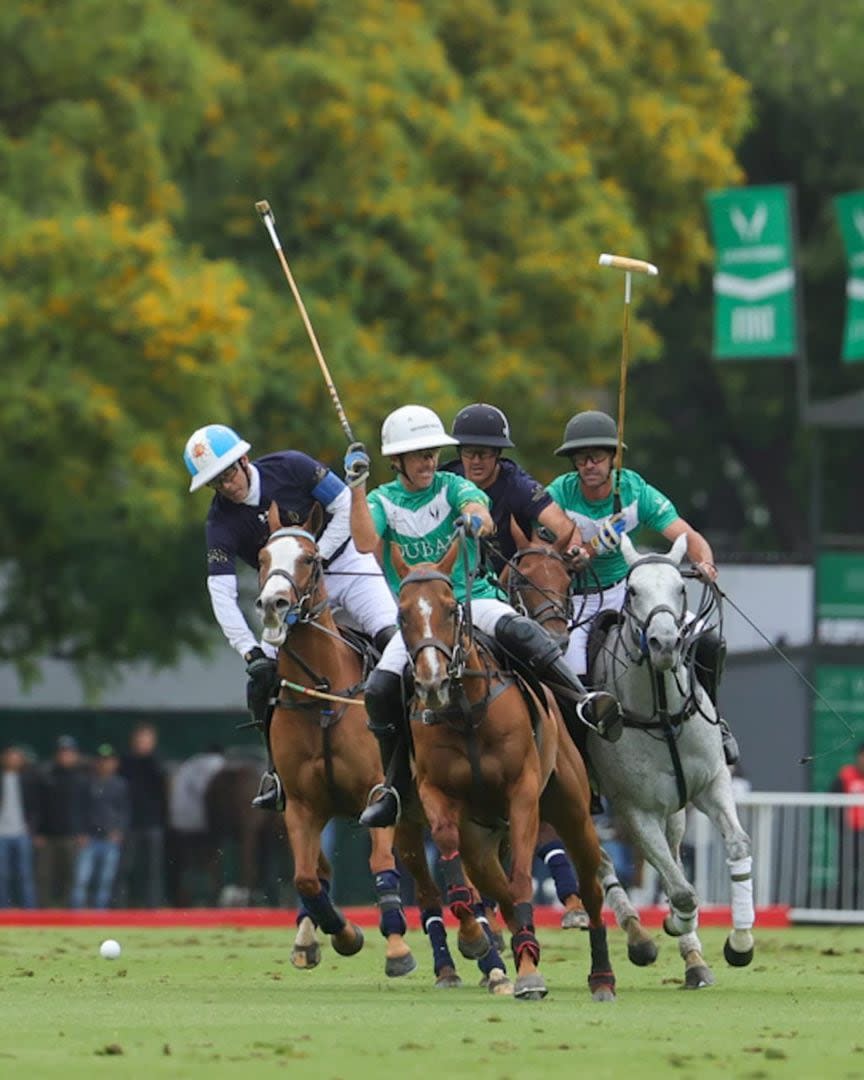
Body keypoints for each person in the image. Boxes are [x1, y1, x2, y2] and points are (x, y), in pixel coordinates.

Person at [344, 404, 622, 828]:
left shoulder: (453, 484)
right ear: (396, 460)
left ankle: (580, 701)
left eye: (432, 454)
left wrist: (475, 520)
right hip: (421, 618)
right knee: (381, 689)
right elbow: (365, 542)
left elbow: (482, 513)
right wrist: (358, 489)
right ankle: (396, 786)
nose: (428, 462)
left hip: (472, 598)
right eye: (419, 455)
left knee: (524, 632)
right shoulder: (382, 500)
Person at [183, 423, 398, 811]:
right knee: (261, 683)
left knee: (394, 644)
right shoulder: (220, 523)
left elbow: (344, 505)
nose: (227, 487)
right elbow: (222, 593)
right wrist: (250, 651)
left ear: (244, 460)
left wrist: (315, 556)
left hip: (347, 565)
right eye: (216, 483)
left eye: (228, 474)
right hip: (291, 596)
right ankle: (276, 774)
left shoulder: (293, 467)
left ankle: (412, 754)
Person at [546, 409, 739, 765]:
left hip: (629, 592)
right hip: (579, 598)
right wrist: (582, 552)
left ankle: (716, 723)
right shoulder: (559, 493)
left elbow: (687, 535)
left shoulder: (634, 489)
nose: (588, 465)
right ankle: (580, 760)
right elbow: (544, 550)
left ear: (611, 457)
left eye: (596, 457)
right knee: (571, 674)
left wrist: (705, 562)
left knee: (709, 642)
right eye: (580, 458)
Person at [439, 403, 579, 571]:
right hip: (454, 579)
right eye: (469, 452)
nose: (476, 460)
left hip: (510, 583)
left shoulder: (520, 486)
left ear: (498, 453)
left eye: (484, 453)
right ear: (459, 451)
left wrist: (574, 551)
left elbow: (565, 527)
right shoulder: (446, 479)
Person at [70, 745, 130, 909]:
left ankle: (100, 914)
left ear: (115, 763)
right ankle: (77, 915)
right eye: (101, 761)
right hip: (89, 838)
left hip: (109, 838)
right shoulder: (86, 782)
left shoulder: (120, 784)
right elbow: (78, 809)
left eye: (109, 761)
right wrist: (80, 832)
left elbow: (125, 811)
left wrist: (119, 831)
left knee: (105, 880)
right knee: (81, 879)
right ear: (96, 763)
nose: (105, 764)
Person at [35, 735, 88, 906]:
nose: (65, 756)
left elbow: (87, 808)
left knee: (70, 876)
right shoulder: (47, 776)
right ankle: (45, 910)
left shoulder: (82, 778)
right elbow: (38, 806)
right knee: (44, 875)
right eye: (62, 752)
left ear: (75, 754)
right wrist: (38, 832)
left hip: (71, 835)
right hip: (48, 836)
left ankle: (67, 912)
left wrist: (83, 831)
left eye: (69, 752)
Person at [118, 722, 168, 907]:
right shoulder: (125, 762)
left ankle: (152, 906)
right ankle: (120, 905)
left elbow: (165, 793)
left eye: (146, 739)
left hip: (153, 823)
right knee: (125, 867)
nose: (142, 743)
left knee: (153, 869)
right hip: (129, 823)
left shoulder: (158, 762)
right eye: (139, 739)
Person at [0, 744, 40, 908]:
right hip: (2, 833)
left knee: (25, 874)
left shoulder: (29, 778)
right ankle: (4, 909)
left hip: (23, 832)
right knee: (3, 874)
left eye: (16, 757)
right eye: (10, 756)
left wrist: (34, 829)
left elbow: (37, 806)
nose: (13, 760)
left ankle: (30, 910)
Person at [830, 742, 864, 907]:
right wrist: (841, 827)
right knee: (846, 873)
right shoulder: (846, 775)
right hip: (850, 833)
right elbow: (833, 803)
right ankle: (844, 910)